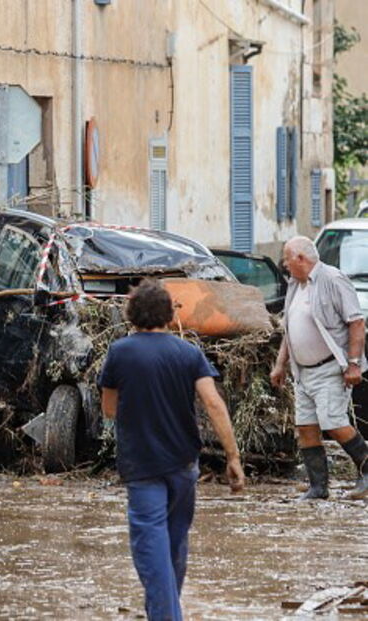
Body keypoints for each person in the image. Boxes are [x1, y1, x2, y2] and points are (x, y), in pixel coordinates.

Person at [99, 279, 245, 621]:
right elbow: (213, 403)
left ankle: (165, 616)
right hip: (183, 464)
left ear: (132, 315)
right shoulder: (189, 353)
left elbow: (109, 409)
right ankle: (163, 609)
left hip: (142, 465)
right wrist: (233, 457)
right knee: (175, 545)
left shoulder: (120, 352)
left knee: (150, 547)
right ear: (169, 315)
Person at [270, 236, 368, 500]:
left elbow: (357, 323)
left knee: (333, 422)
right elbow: (289, 330)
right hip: (302, 371)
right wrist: (280, 365)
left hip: (330, 368)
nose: (284, 264)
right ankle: (318, 487)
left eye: (287, 258)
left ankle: (366, 470)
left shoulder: (332, 279)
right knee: (306, 427)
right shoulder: (295, 285)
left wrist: (354, 363)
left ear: (301, 258)